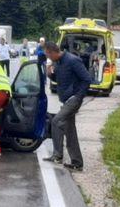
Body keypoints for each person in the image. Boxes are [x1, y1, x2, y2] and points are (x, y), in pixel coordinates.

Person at [43, 42, 91, 171]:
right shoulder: (58, 63)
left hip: (73, 99)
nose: (48, 58)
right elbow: (60, 79)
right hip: (66, 100)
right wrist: (49, 73)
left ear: (53, 52)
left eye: (48, 54)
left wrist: (78, 96)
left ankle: (58, 155)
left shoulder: (72, 60)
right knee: (70, 130)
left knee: (56, 121)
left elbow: (87, 79)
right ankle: (77, 163)